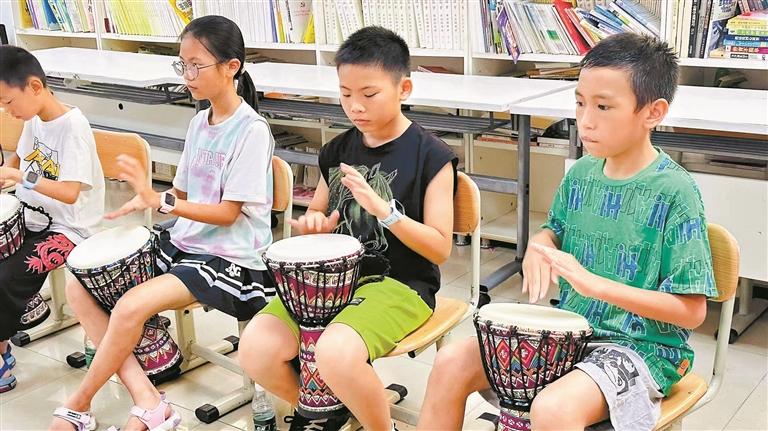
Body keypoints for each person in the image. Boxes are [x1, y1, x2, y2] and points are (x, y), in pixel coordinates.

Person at [418, 32, 717, 431]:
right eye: (580, 103)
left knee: (554, 409)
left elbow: (693, 312)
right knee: (452, 360)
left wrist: (597, 286)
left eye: (603, 106)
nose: (585, 120)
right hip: (573, 331)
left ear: (653, 112)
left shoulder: (676, 191)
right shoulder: (582, 173)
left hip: (642, 350)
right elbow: (553, 230)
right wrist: (539, 244)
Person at [49, 15, 276, 431]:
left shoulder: (252, 131)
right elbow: (183, 192)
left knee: (129, 305)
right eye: (182, 65)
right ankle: (148, 400)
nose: (187, 76)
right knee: (81, 285)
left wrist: (163, 201)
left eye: (196, 66)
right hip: (187, 242)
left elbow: (228, 214)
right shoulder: (199, 122)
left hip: (232, 257)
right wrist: (149, 200)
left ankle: (79, 403)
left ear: (232, 67)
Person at [239, 26, 458, 431]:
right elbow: (318, 215)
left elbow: (440, 249)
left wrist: (385, 212)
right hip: (331, 281)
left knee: (335, 352)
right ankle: (329, 408)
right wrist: (314, 226)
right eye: (345, 94)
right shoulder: (337, 150)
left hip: (403, 285)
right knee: (256, 347)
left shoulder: (432, 156)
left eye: (369, 94)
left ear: (404, 88)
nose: (355, 106)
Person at [0, 45, 104, 394]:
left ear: (34, 87)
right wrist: (7, 172)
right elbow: (19, 158)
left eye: (8, 102)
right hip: (32, 216)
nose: (6, 110)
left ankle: (1, 356)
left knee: (6, 275)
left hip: (69, 229)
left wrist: (20, 178)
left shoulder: (73, 127)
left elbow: (70, 192)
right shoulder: (33, 118)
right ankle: (12, 326)